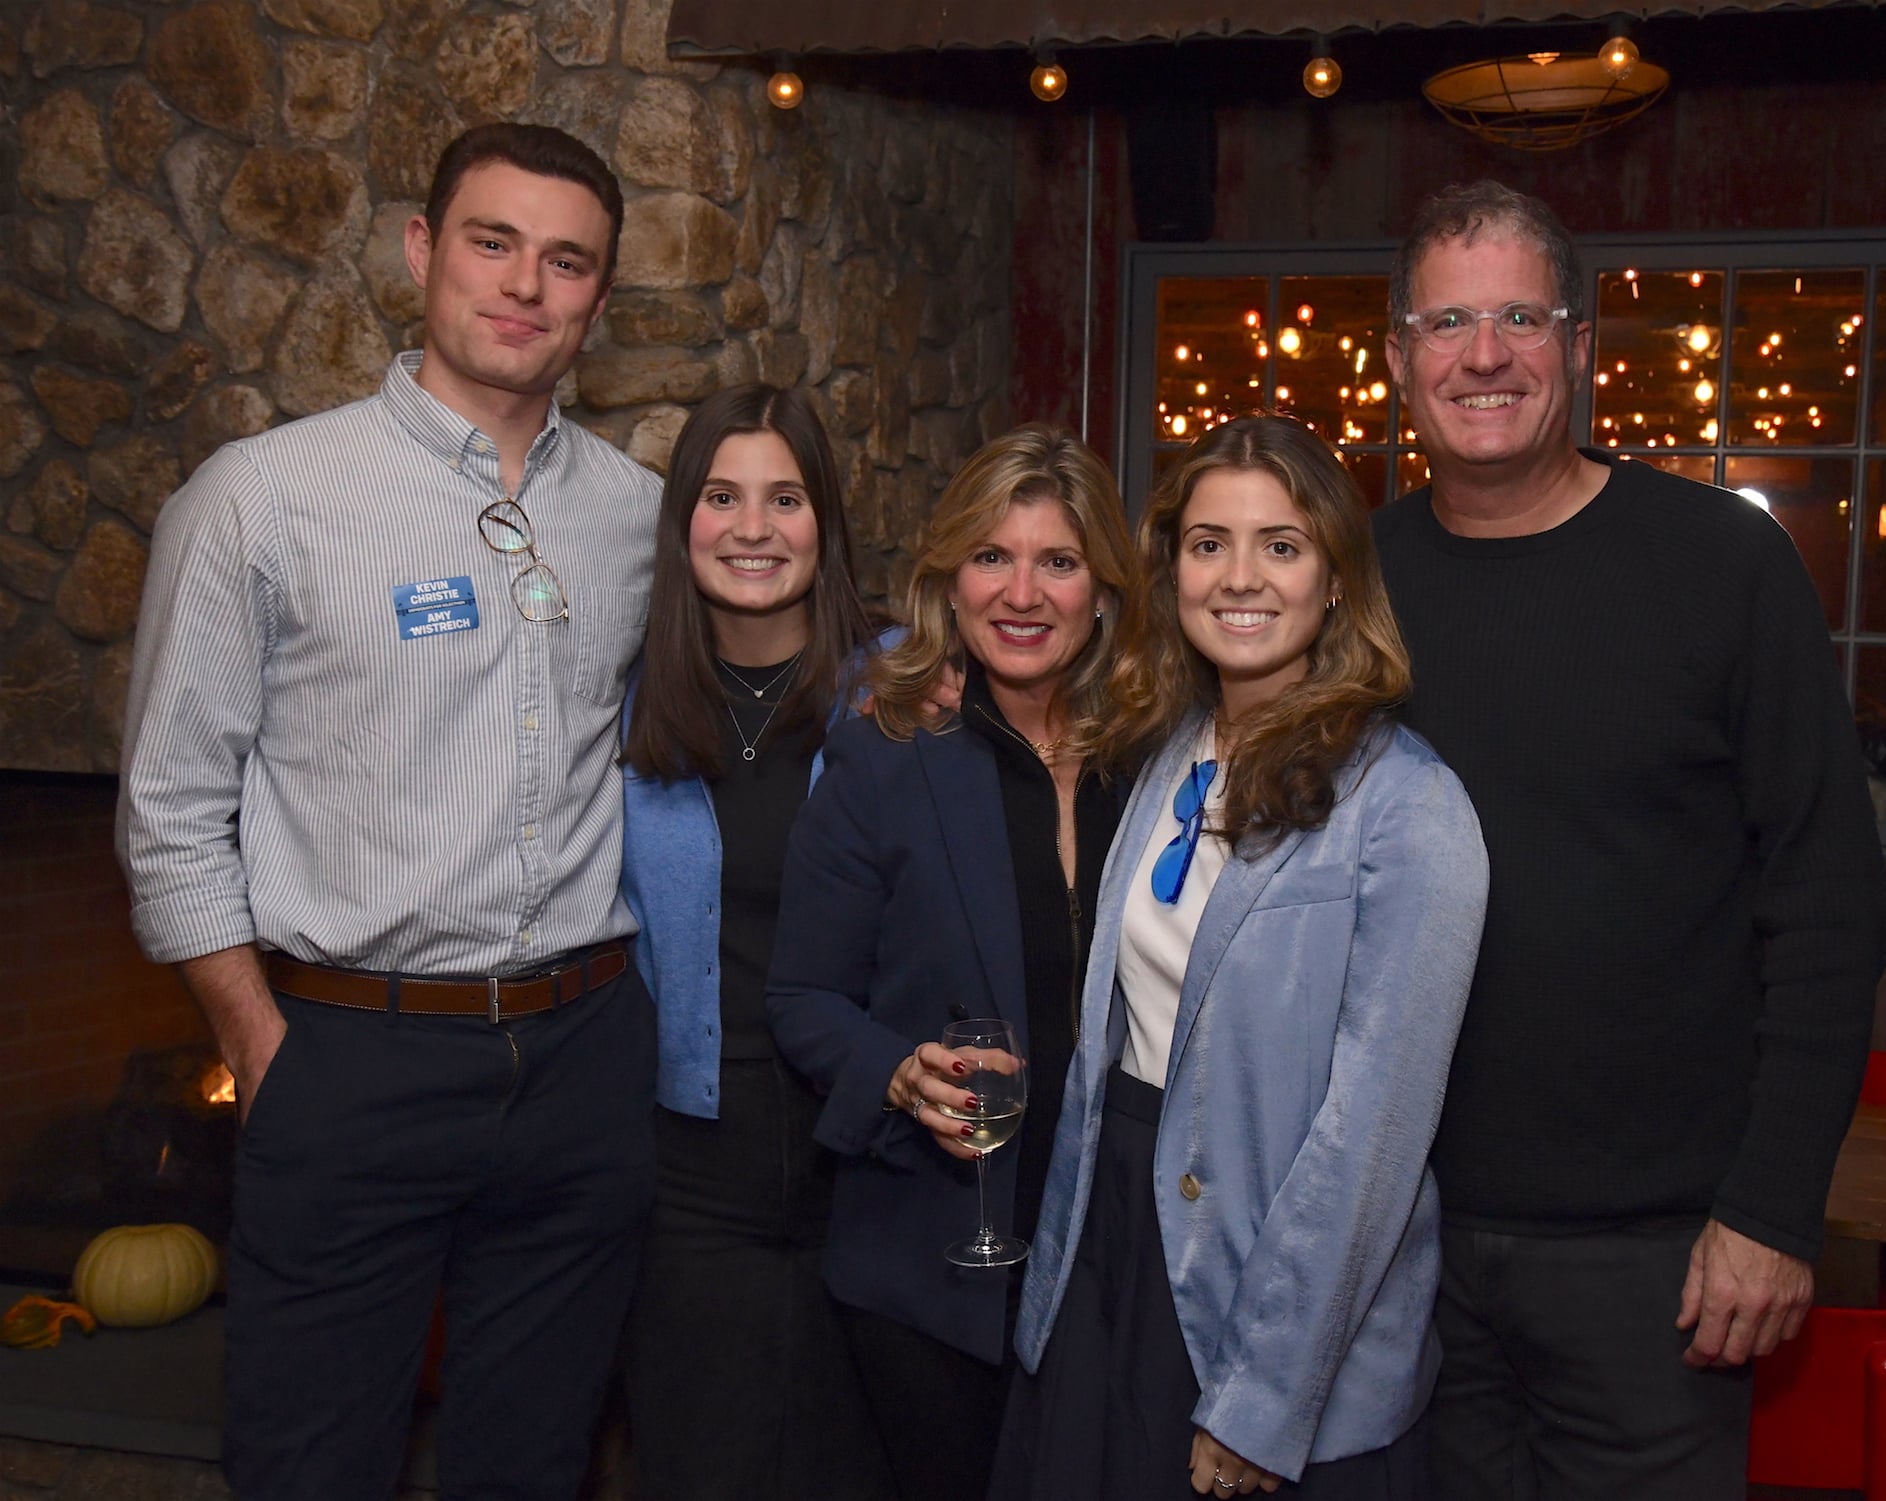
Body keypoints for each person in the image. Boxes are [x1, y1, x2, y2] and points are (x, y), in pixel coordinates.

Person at [116, 124, 660, 1501]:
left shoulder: (643, 518)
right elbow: (172, 808)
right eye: (493, 242)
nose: (525, 285)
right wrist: (260, 1040)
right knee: (312, 1462)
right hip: (348, 1057)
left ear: (600, 296)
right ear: (422, 252)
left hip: (586, 1060)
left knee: (534, 1465)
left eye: (566, 261)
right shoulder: (264, 498)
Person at [1373, 180, 1886, 1497]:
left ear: (1583, 344)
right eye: (1447, 321)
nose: (1483, 353)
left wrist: (1773, 1211)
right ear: (1397, 360)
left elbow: (1828, 906)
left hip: (1656, 1266)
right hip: (1400, 1244)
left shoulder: (1722, 566)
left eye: (1519, 316)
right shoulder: (1351, 580)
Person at [994, 414, 1487, 1500]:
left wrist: (1264, 1397)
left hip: (1270, 1281)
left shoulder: (1408, 807)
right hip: (1115, 1243)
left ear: (1335, 580)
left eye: (1280, 544)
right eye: (1208, 543)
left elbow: (1370, 1144)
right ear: (1170, 570)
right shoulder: (1173, 752)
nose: (1238, 576)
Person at [764, 424, 1136, 1499]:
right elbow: (801, 995)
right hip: (932, 1257)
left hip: (1114, 1250)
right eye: (991, 557)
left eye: (1057, 562)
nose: (1021, 593)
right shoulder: (886, 750)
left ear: (1102, 591)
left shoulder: (1157, 756)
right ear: (948, 582)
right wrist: (891, 1069)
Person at [617, 382, 888, 1500]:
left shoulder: (907, 686)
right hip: (688, 1159)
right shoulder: (620, 702)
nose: (751, 528)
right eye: (721, 497)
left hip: (866, 1149)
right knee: (700, 1459)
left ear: (823, 521)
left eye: (784, 498)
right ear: (684, 520)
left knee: (853, 1463)